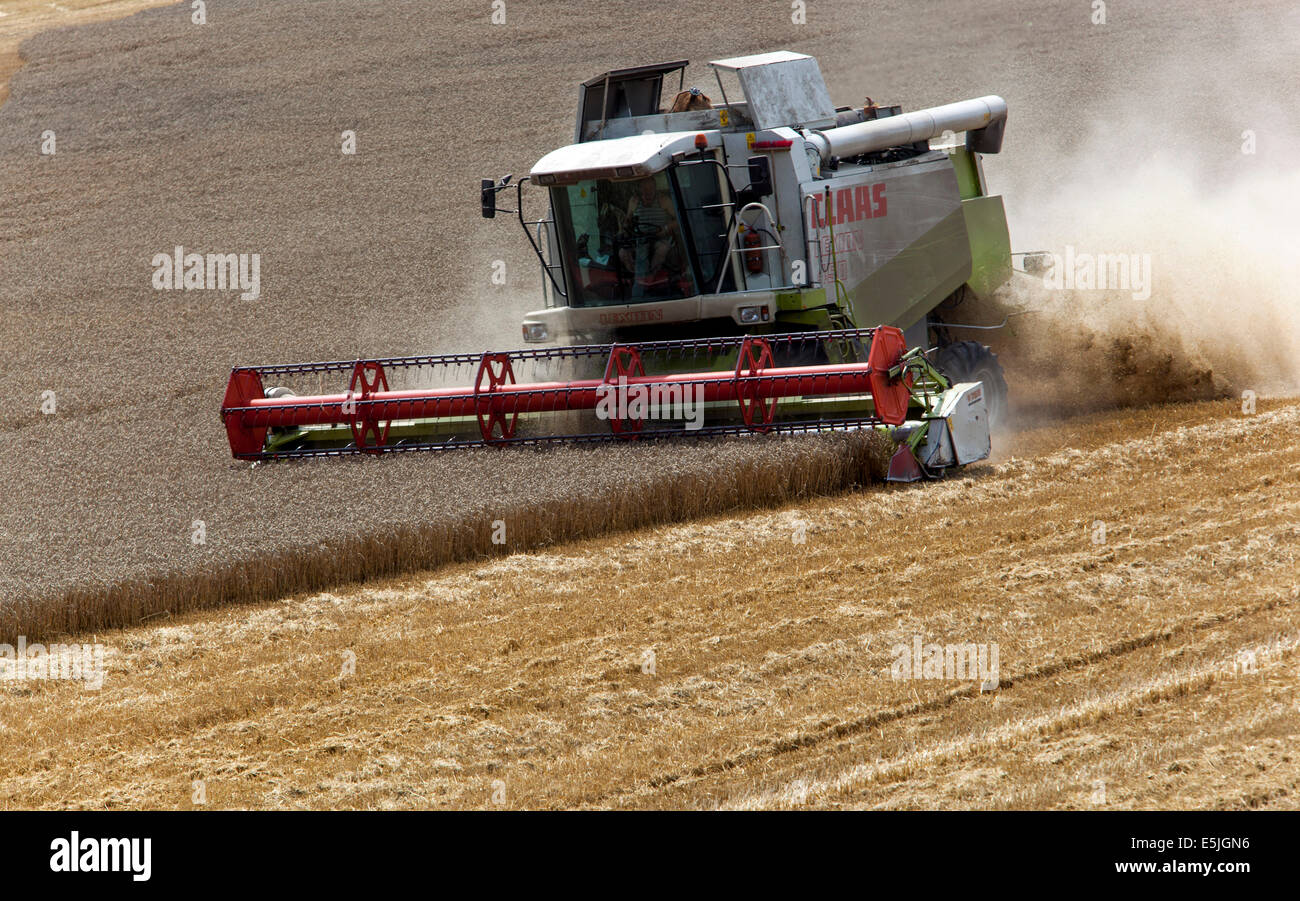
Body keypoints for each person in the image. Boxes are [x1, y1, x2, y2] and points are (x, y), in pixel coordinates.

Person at [619, 177, 678, 277]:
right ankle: (635, 275)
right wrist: (624, 224)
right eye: (644, 188)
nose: (648, 191)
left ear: (655, 188)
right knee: (622, 253)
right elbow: (628, 221)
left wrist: (666, 229)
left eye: (651, 188)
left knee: (662, 249)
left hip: (660, 237)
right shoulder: (634, 201)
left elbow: (678, 219)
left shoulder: (664, 200)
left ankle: (651, 277)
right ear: (639, 189)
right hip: (640, 239)